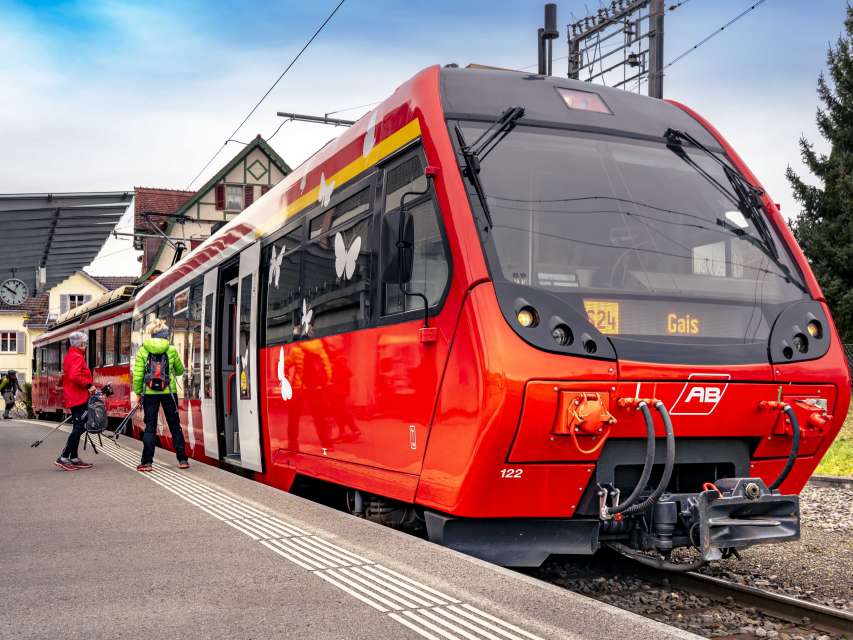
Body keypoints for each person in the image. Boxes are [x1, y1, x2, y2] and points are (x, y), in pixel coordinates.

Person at [132, 318, 189, 472]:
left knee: (150, 427)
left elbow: (138, 375)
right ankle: (182, 460)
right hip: (169, 392)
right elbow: (180, 370)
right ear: (165, 335)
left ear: (152, 334)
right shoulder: (171, 350)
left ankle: (147, 463)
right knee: (175, 426)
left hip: (149, 393)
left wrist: (138, 393)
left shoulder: (143, 350)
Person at [55, 332, 95, 471]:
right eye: (85, 343)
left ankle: (74, 457)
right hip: (78, 397)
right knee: (79, 426)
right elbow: (74, 376)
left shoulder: (71, 355)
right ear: (81, 344)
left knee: (79, 426)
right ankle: (63, 457)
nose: (86, 346)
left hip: (75, 396)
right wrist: (88, 385)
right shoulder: (77, 357)